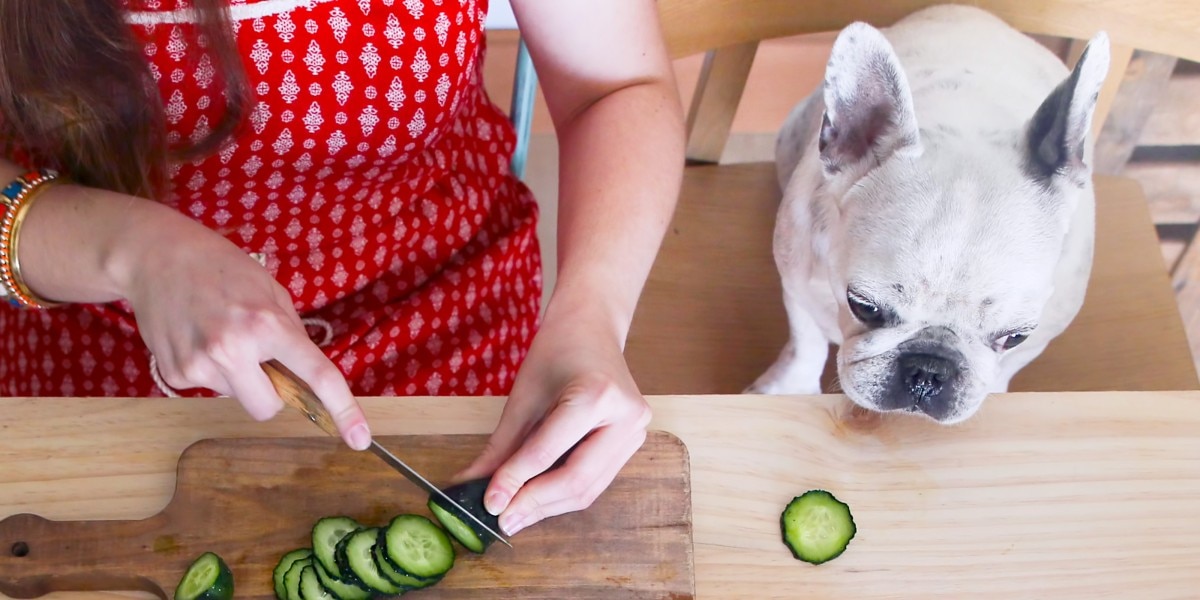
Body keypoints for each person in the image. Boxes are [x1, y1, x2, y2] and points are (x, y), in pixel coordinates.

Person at [0, 0, 684, 537]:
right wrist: (131, 250)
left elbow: (618, 86)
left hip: (446, 306)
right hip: (95, 326)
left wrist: (592, 310)